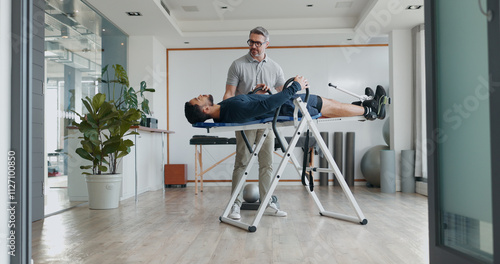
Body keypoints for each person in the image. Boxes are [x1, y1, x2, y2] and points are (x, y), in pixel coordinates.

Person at [222, 26, 286, 220]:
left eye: (258, 43)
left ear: (267, 44)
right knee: (242, 162)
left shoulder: (275, 67)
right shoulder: (237, 65)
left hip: (266, 121)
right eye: (251, 42)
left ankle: (267, 203)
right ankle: (235, 204)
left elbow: (283, 95)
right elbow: (229, 93)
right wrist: (224, 113)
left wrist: (269, 92)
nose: (254, 46)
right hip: (245, 121)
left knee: (266, 163)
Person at [184, 76, 389, 125]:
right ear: (205, 110)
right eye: (198, 99)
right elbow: (265, 106)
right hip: (289, 107)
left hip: (286, 104)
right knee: (330, 106)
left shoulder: (224, 108)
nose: (201, 95)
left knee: (330, 103)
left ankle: (365, 106)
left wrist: (257, 91)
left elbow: (256, 105)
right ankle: (371, 110)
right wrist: (295, 87)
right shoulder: (230, 110)